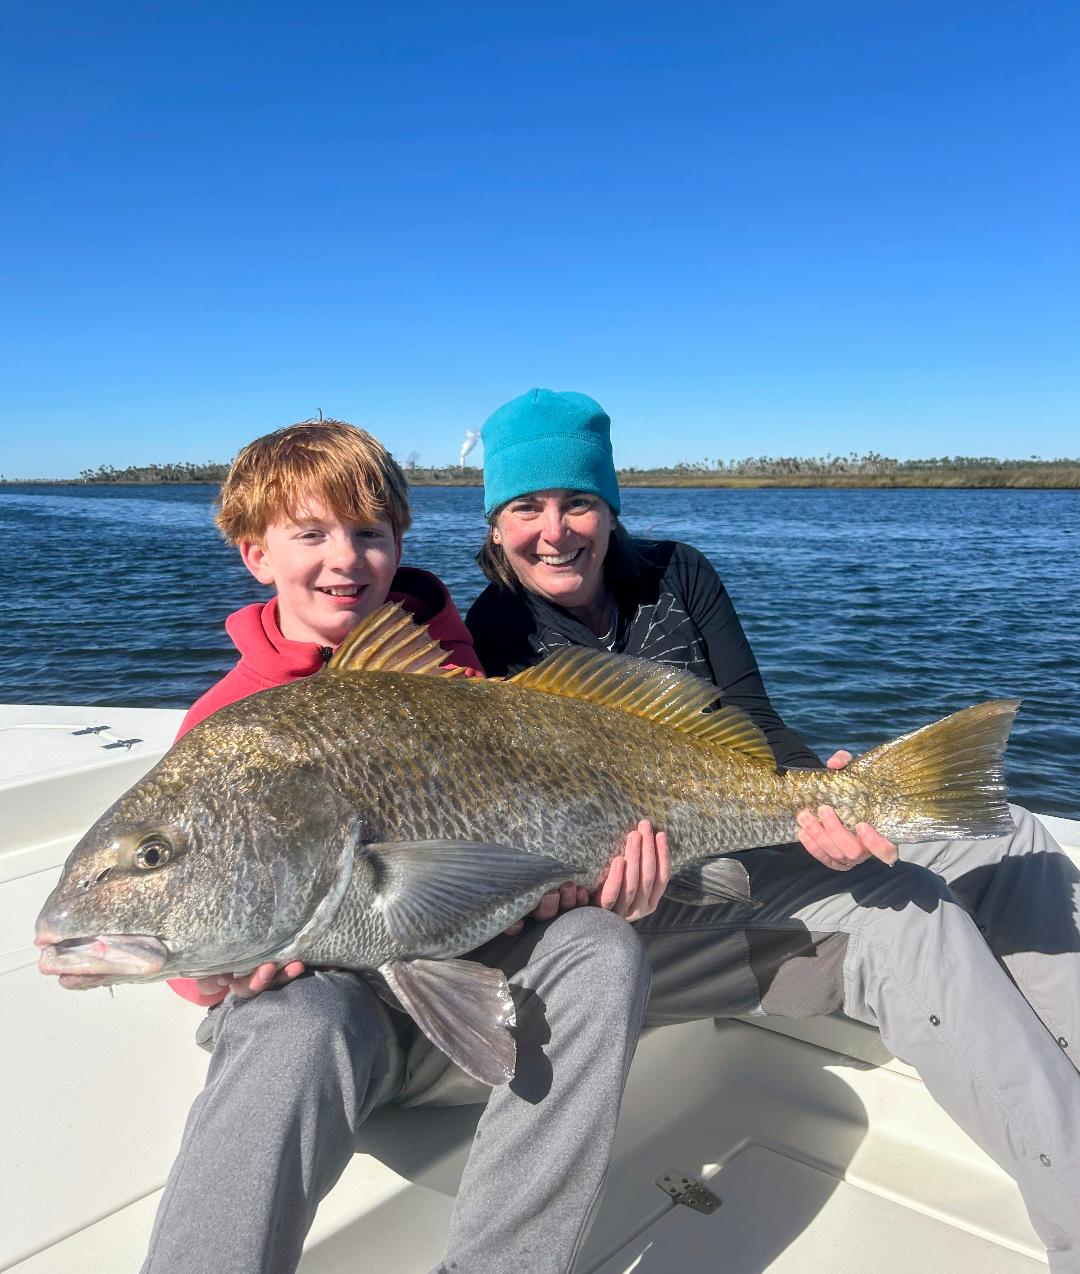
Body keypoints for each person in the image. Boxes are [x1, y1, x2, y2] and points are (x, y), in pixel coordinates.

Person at [465, 387, 1080, 1272]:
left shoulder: (679, 572)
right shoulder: (492, 632)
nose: (554, 531)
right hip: (652, 892)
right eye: (526, 507)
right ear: (495, 524)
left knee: (1011, 835)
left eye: (578, 502)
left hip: (741, 816)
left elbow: (753, 720)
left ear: (610, 507)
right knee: (907, 904)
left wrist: (823, 793)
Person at [143, 419, 660, 1274]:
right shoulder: (226, 729)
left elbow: (511, 844)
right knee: (294, 1019)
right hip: (338, 1036)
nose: (344, 559)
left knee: (601, 941)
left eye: (368, 534)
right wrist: (216, 974)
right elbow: (193, 933)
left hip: (475, 1003)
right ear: (256, 555)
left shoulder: (460, 684)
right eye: (310, 535)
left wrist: (563, 884)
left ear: (398, 545)